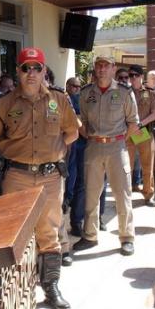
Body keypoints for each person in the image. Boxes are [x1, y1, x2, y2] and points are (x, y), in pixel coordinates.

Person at [0, 47, 79, 309]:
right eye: (26, 68)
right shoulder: (5, 103)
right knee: (16, 233)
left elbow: (72, 133)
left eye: (37, 68)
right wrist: (15, 150)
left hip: (50, 177)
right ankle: (17, 288)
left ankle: (51, 287)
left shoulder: (59, 100)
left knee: (49, 233)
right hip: (17, 176)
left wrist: (52, 151)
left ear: (44, 71)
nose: (32, 73)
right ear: (18, 71)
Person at [73, 55, 139, 256]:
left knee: (122, 193)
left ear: (113, 68)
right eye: (98, 66)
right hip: (93, 147)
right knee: (91, 193)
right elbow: (81, 121)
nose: (101, 69)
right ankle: (90, 236)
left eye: (106, 66)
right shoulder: (86, 93)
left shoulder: (124, 92)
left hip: (117, 147)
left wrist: (117, 139)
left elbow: (133, 123)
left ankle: (126, 237)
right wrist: (92, 137)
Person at [127, 64, 155, 205]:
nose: (133, 78)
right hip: (127, 132)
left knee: (147, 164)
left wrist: (140, 124)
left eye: (136, 75)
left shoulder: (150, 92)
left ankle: (148, 194)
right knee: (126, 166)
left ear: (141, 76)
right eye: (131, 75)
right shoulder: (124, 92)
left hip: (143, 131)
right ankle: (125, 195)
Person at [64, 76, 87, 240]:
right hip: (68, 145)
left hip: (84, 144)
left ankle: (76, 221)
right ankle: (67, 203)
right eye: (74, 86)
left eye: (79, 87)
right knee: (68, 180)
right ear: (68, 86)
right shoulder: (63, 98)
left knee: (81, 182)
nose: (77, 89)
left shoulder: (83, 99)